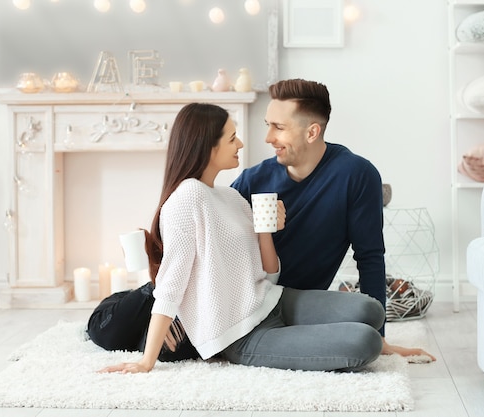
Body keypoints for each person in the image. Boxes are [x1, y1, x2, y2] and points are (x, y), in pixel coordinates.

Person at [99, 102, 386, 373]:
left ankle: (301, 336)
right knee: (365, 341)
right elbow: (170, 286)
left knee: (370, 310)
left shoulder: (231, 197)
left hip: (273, 300)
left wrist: (265, 229)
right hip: (242, 333)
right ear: (207, 147)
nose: (241, 144)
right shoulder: (186, 199)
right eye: (232, 138)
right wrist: (147, 361)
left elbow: (269, 274)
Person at [231, 78, 435, 360]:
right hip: (248, 303)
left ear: (312, 132)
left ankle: (294, 336)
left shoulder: (356, 175)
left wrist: (382, 337)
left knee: (369, 315)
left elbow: (370, 256)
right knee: (361, 343)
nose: (268, 137)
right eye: (268, 125)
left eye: (278, 127)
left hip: (301, 303)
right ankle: (267, 341)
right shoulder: (253, 180)